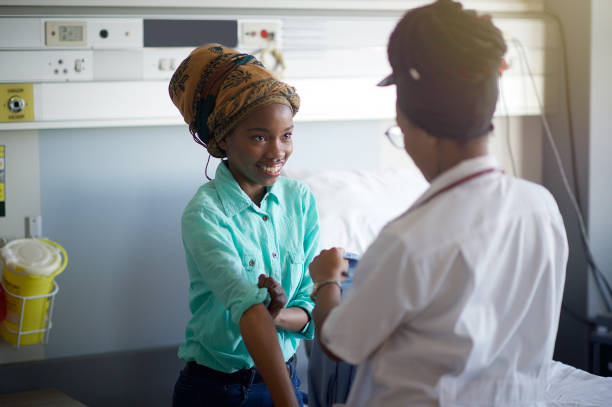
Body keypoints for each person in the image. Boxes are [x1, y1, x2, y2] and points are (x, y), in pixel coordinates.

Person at [308, 1, 612, 406]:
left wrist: (326, 281)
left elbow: (338, 344)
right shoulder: (540, 207)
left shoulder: (409, 241)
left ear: (412, 119)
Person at [168, 43, 319, 407]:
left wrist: (278, 315)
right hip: (217, 390)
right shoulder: (205, 214)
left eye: (286, 135)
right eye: (258, 137)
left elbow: (309, 312)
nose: (277, 151)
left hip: (286, 377)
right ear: (222, 139)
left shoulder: (300, 201)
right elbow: (248, 309)